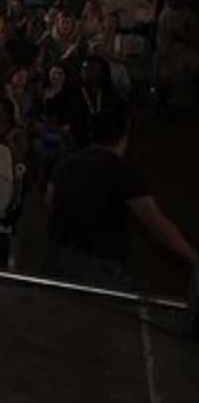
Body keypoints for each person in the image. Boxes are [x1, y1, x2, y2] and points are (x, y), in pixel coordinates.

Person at [47, 109, 196, 288]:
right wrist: (191, 256)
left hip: (59, 255)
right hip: (99, 263)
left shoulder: (66, 163)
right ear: (124, 136)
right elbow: (156, 225)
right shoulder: (122, 172)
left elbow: (50, 201)